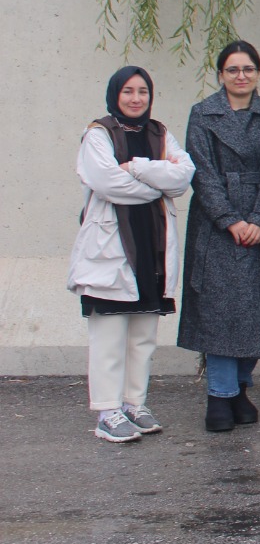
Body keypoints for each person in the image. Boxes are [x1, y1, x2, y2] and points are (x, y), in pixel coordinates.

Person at [69, 67, 195, 442]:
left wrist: (139, 167)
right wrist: (156, 184)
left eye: (143, 91)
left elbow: (184, 175)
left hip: (151, 246)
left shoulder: (159, 133)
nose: (136, 98)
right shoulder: (98, 134)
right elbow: (107, 182)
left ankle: (133, 404)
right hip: (110, 247)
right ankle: (107, 412)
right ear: (115, 95)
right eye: (128, 91)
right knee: (109, 334)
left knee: (142, 334)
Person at [178, 40, 260, 433]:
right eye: (232, 70)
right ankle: (219, 396)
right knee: (221, 313)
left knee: (258, 310)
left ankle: (240, 389)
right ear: (220, 74)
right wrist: (230, 219)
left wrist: (259, 219)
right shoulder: (202, 114)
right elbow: (201, 171)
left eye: (248, 69)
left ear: (258, 72)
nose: (241, 76)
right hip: (216, 225)